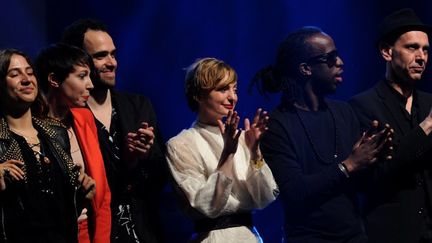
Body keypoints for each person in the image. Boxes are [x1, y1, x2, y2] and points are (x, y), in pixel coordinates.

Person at [253, 27, 390, 242]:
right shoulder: (277, 124)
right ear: (306, 68)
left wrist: (375, 157)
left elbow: (363, 185)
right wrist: (349, 165)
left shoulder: (344, 112)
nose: (340, 63)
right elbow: (294, 193)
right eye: (331, 58)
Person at [61, 19, 166, 242]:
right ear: (79, 61)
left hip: (143, 231)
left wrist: (142, 157)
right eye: (101, 56)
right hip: (98, 233)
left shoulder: (138, 106)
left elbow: (162, 179)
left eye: (113, 54)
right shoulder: (69, 117)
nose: (112, 62)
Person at [166, 57, 278, 243]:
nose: (232, 97)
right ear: (199, 95)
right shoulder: (181, 145)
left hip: (249, 236)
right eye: (223, 89)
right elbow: (205, 205)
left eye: (234, 89)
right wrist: (227, 154)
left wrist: (254, 152)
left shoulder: (243, 138)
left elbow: (264, 198)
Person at [349, 8, 432, 242]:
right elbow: (371, 176)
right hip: (391, 233)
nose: (421, 57)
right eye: (412, 47)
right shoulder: (363, 106)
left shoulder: (429, 102)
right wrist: (426, 128)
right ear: (387, 52)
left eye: (426, 50)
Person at [0, 49, 95, 243]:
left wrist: (83, 190)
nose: (27, 79)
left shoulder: (56, 133)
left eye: (30, 72)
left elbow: (60, 203)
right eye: (15, 74)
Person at [35, 43, 112, 243]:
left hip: (88, 231)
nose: (91, 84)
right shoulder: (30, 127)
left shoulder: (84, 118)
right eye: (81, 76)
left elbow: (103, 192)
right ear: (53, 79)